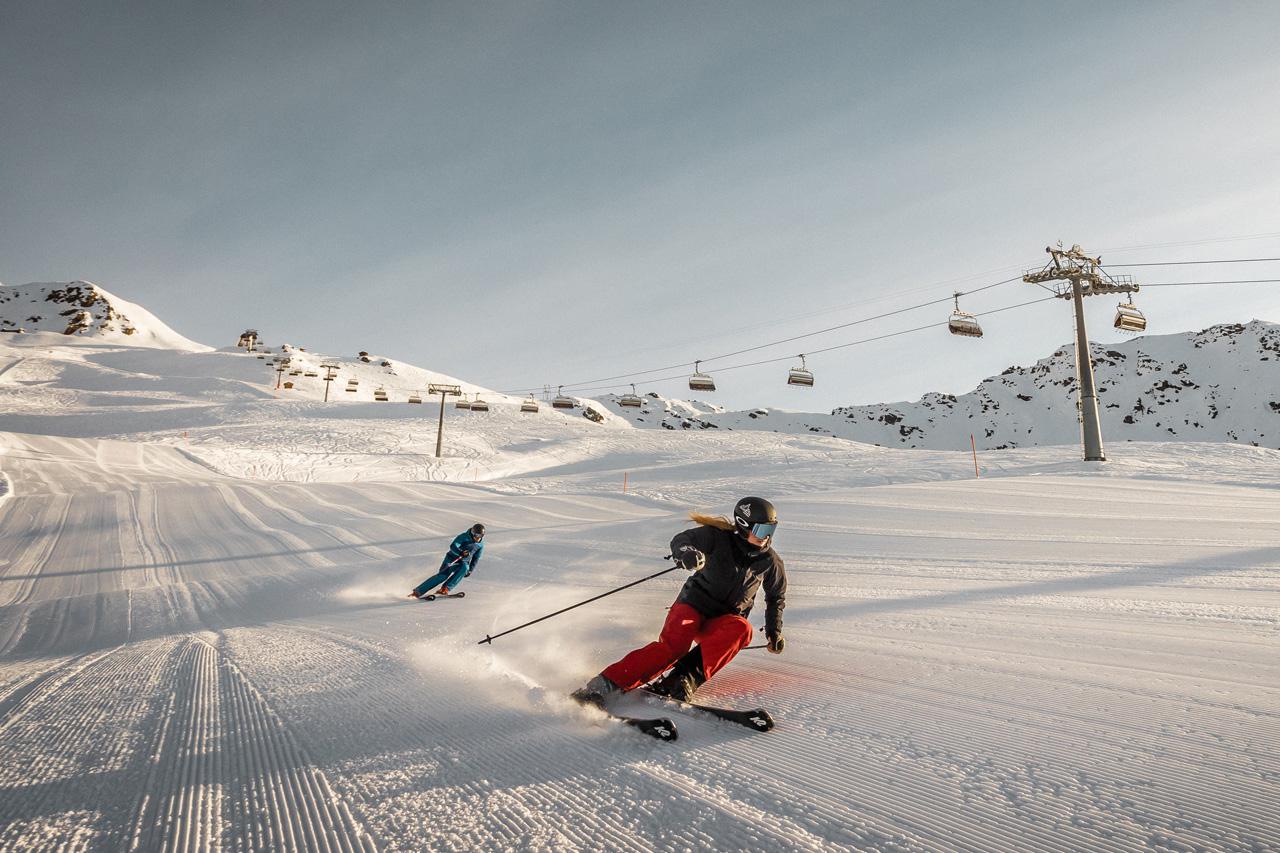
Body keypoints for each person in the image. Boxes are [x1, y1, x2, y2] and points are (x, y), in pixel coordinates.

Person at [572, 497, 786, 706]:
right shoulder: (717, 537)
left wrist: (774, 631)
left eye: (771, 531)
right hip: (692, 605)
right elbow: (682, 540)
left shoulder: (770, 561)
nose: (765, 538)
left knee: (741, 629)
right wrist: (686, 554)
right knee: (674, 648)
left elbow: (776, 596)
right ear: (742, 526)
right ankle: (604, 685)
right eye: (761, 531)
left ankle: (678, 681)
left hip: (722, 619)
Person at [408, 523, 485, 598]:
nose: (478, 538)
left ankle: (445, 588)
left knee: (465, 568)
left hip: (463, 562)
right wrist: (461, 552)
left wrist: (470, 570)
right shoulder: (463, 537)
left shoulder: (480, 545)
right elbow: (453, 546)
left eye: (480, 536)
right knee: (442, 576)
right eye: (476, 535)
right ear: (472, 532)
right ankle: (418, 592)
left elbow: (476, 558)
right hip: (452, 558)